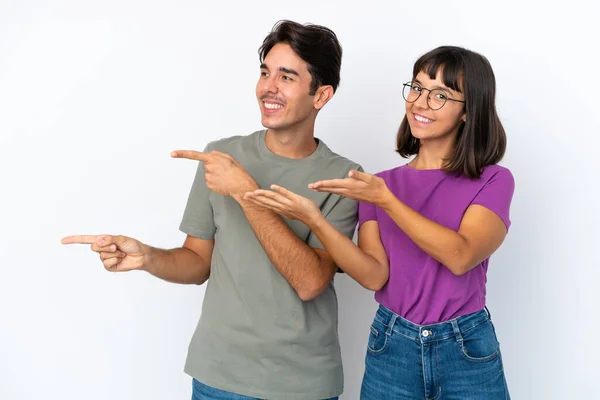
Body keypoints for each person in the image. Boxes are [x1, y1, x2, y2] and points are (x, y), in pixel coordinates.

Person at [62, 20, 362, 400]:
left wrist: (245, 192)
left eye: (287, 77)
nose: (268, 87)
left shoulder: (344, 178)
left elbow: (310, 282)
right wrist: (147, 257)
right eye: (265, 72)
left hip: (301, 385)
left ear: (321, 95)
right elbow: (197, 261)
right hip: (217, 377)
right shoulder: (222, 156)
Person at [245, 45, 514, 399]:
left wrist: (386, 200)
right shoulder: (379, 184)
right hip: (392, 344)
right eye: (416, 88)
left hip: (465, 345)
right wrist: (315, 219)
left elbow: (461, 255)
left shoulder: (492, 180)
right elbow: (374, 276)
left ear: (469, 111)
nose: (419, 102)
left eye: (440, 95)